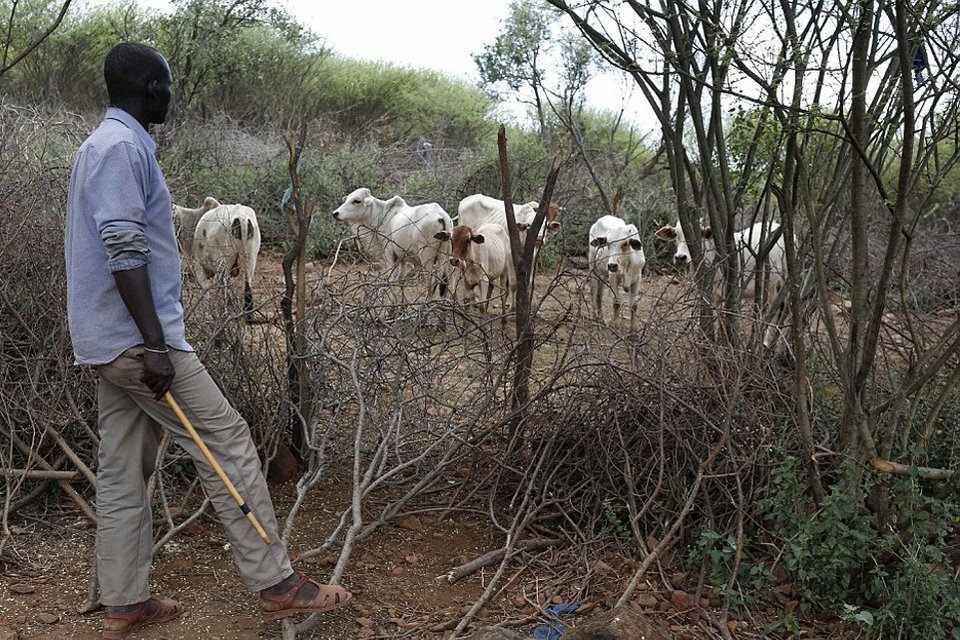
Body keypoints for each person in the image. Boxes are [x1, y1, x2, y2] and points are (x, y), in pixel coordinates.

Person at [64, 41, 352, 639]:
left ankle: (124, 601)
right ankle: (277, 583)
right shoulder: (120, 149)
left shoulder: (107, 145)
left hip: (107, 343)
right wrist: (156, 344)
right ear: (148, 89)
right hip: (138, 345)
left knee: (121, 470)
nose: (170, 94)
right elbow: (123, 247)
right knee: (227, 442)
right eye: (165, 85)